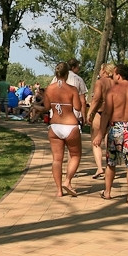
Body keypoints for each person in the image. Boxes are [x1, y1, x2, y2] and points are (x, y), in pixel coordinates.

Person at [94, 64, 128, 205]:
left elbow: (106, 113)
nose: (112, 77)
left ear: (118, 75)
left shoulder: (112, 92)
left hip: (116, 127)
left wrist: (100, 134)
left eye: (114, 75)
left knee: (111, 162)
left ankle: (108, 192)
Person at [44, 62, 83, 197]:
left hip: (55, 126)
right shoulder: (72, 89)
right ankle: (67, 181)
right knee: (75, 155)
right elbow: (77, 107)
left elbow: (47, 106)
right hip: (70, 125)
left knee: (57, 159)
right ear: (67, 74)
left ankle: (59, 190)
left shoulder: (49, 88)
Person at [86, 63, 116, 179]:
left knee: (95, 141)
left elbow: (96, 99)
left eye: (100, 69)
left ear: (104, 70)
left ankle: (99, 168)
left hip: (100, 112)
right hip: (113, 113)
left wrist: (90, 112)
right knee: (109, 142)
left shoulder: (100, 82)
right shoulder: (116, 82)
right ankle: (109, 167)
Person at [52, 58, 88, 125]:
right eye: (78, 67)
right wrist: (84, 117)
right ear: (73, 67)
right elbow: (82, 101)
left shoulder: (55, 78)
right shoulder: (78, 79)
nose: (79, 69)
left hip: (57, 114)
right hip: (73, 115)